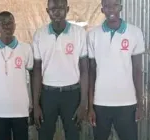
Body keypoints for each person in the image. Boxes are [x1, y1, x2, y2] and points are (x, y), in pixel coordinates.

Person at [87, 0, 145, 140]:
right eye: (106, 6)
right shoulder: (93, 35)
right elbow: (91, 73)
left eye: (115, 5)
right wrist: (90, 107)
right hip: (100, 103)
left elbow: (137, 71)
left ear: (121, 7)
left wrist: (140, 104)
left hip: (127, 103)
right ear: (102, 9)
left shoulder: (135, 33)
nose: (111, 9)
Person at [32, 0, 89, 139]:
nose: (57, 12)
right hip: (47, 95)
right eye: (53, 9)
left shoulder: (79, 33)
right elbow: (37, 71)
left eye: (61, 8)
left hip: (72, 94)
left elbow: (84, 70)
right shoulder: (39, 35)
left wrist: (83, 103)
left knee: (73, 135)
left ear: (67, 9)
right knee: (44, 135)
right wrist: (35, 105)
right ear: (47, 11)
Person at [0, 11, 33, 140]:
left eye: (10, 23)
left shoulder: (26, 48)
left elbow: (33, 77)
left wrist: (33, 104)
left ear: (15, 25)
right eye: (3, 23)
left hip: (21, 109)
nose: (7, 26)